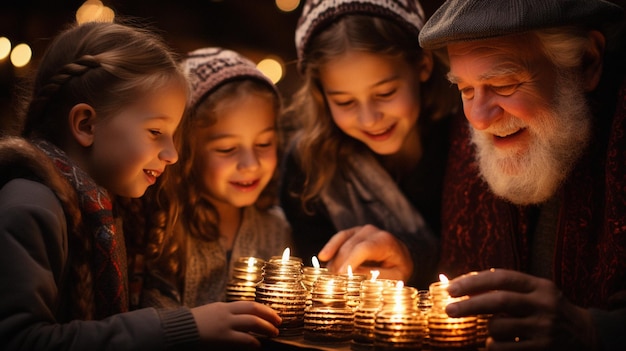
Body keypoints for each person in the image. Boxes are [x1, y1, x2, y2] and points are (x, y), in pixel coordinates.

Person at [0, 21, 280, 350]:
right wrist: (181, 326)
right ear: (86, 124)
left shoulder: (108, 209)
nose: (173, 155)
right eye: (155, 132)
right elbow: (20, 339)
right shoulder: (30, 208)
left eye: (174, 136)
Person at [279, 0, 459, 287]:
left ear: (423, 65)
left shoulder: (464, 143)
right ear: (321, 95)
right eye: (345, 101)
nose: (369, 118)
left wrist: (413, 259)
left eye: (385, 93)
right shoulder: (308, 169)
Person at [137, 47, 292, 308]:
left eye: (264, 144)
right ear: (186, 150)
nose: (250, 164)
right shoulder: (164, 227)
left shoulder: (277, 230)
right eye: (227, 149)